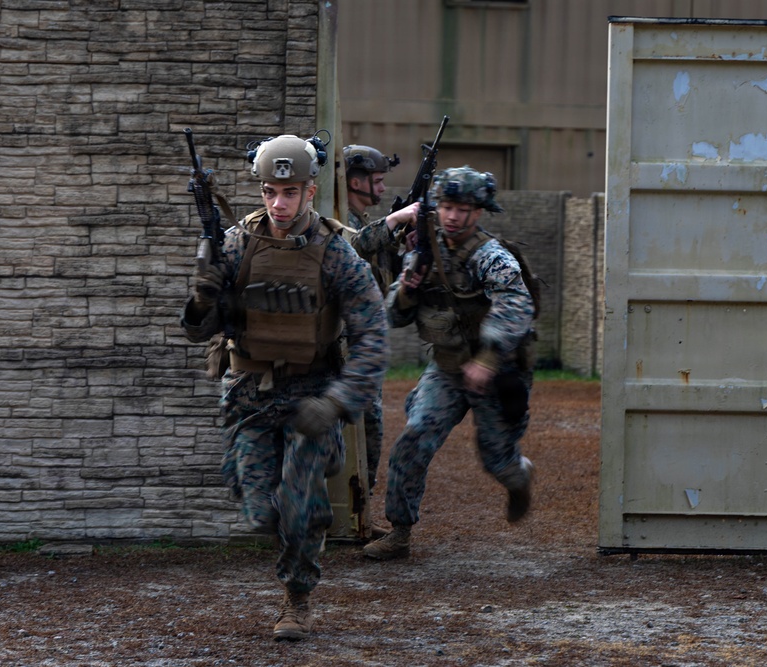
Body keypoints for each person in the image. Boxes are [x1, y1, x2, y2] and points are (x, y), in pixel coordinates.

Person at [180, 134, 388, 639]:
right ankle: (298, 510)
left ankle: (297, 598)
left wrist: (336, 402)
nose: (279, 203)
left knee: (298, 505)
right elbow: (199, 330)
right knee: (258, 511)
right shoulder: (237, 243)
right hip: (248, 393)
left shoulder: (336, 252)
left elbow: (373, 337)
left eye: (290, 192)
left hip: (310, 396)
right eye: (270, 192)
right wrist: (202, 300)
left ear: (310, 192)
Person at [363, 166, 536, 562]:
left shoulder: (492, 257)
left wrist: (487, 359)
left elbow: (516, 307)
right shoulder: (424, 251)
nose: (453, 216)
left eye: (462, 209)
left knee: (497, 458)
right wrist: (407, 290)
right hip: (447, 368)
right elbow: (394, 316)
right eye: (446, 207)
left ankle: (518, 476)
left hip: (497, 371)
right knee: (415, 435)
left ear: (478, 212)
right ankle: (399, 531)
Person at [341, 144, 421, 496]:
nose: (382, 187)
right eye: (376, 180)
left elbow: (379, 268)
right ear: (355, 182)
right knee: (357, 424)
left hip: (365, 340)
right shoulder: (338, 216)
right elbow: (351, 246)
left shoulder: (364, 222)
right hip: (343, 344)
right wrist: (394, 221)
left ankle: (361, 501)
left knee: (370, 425)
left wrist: (404, 247)